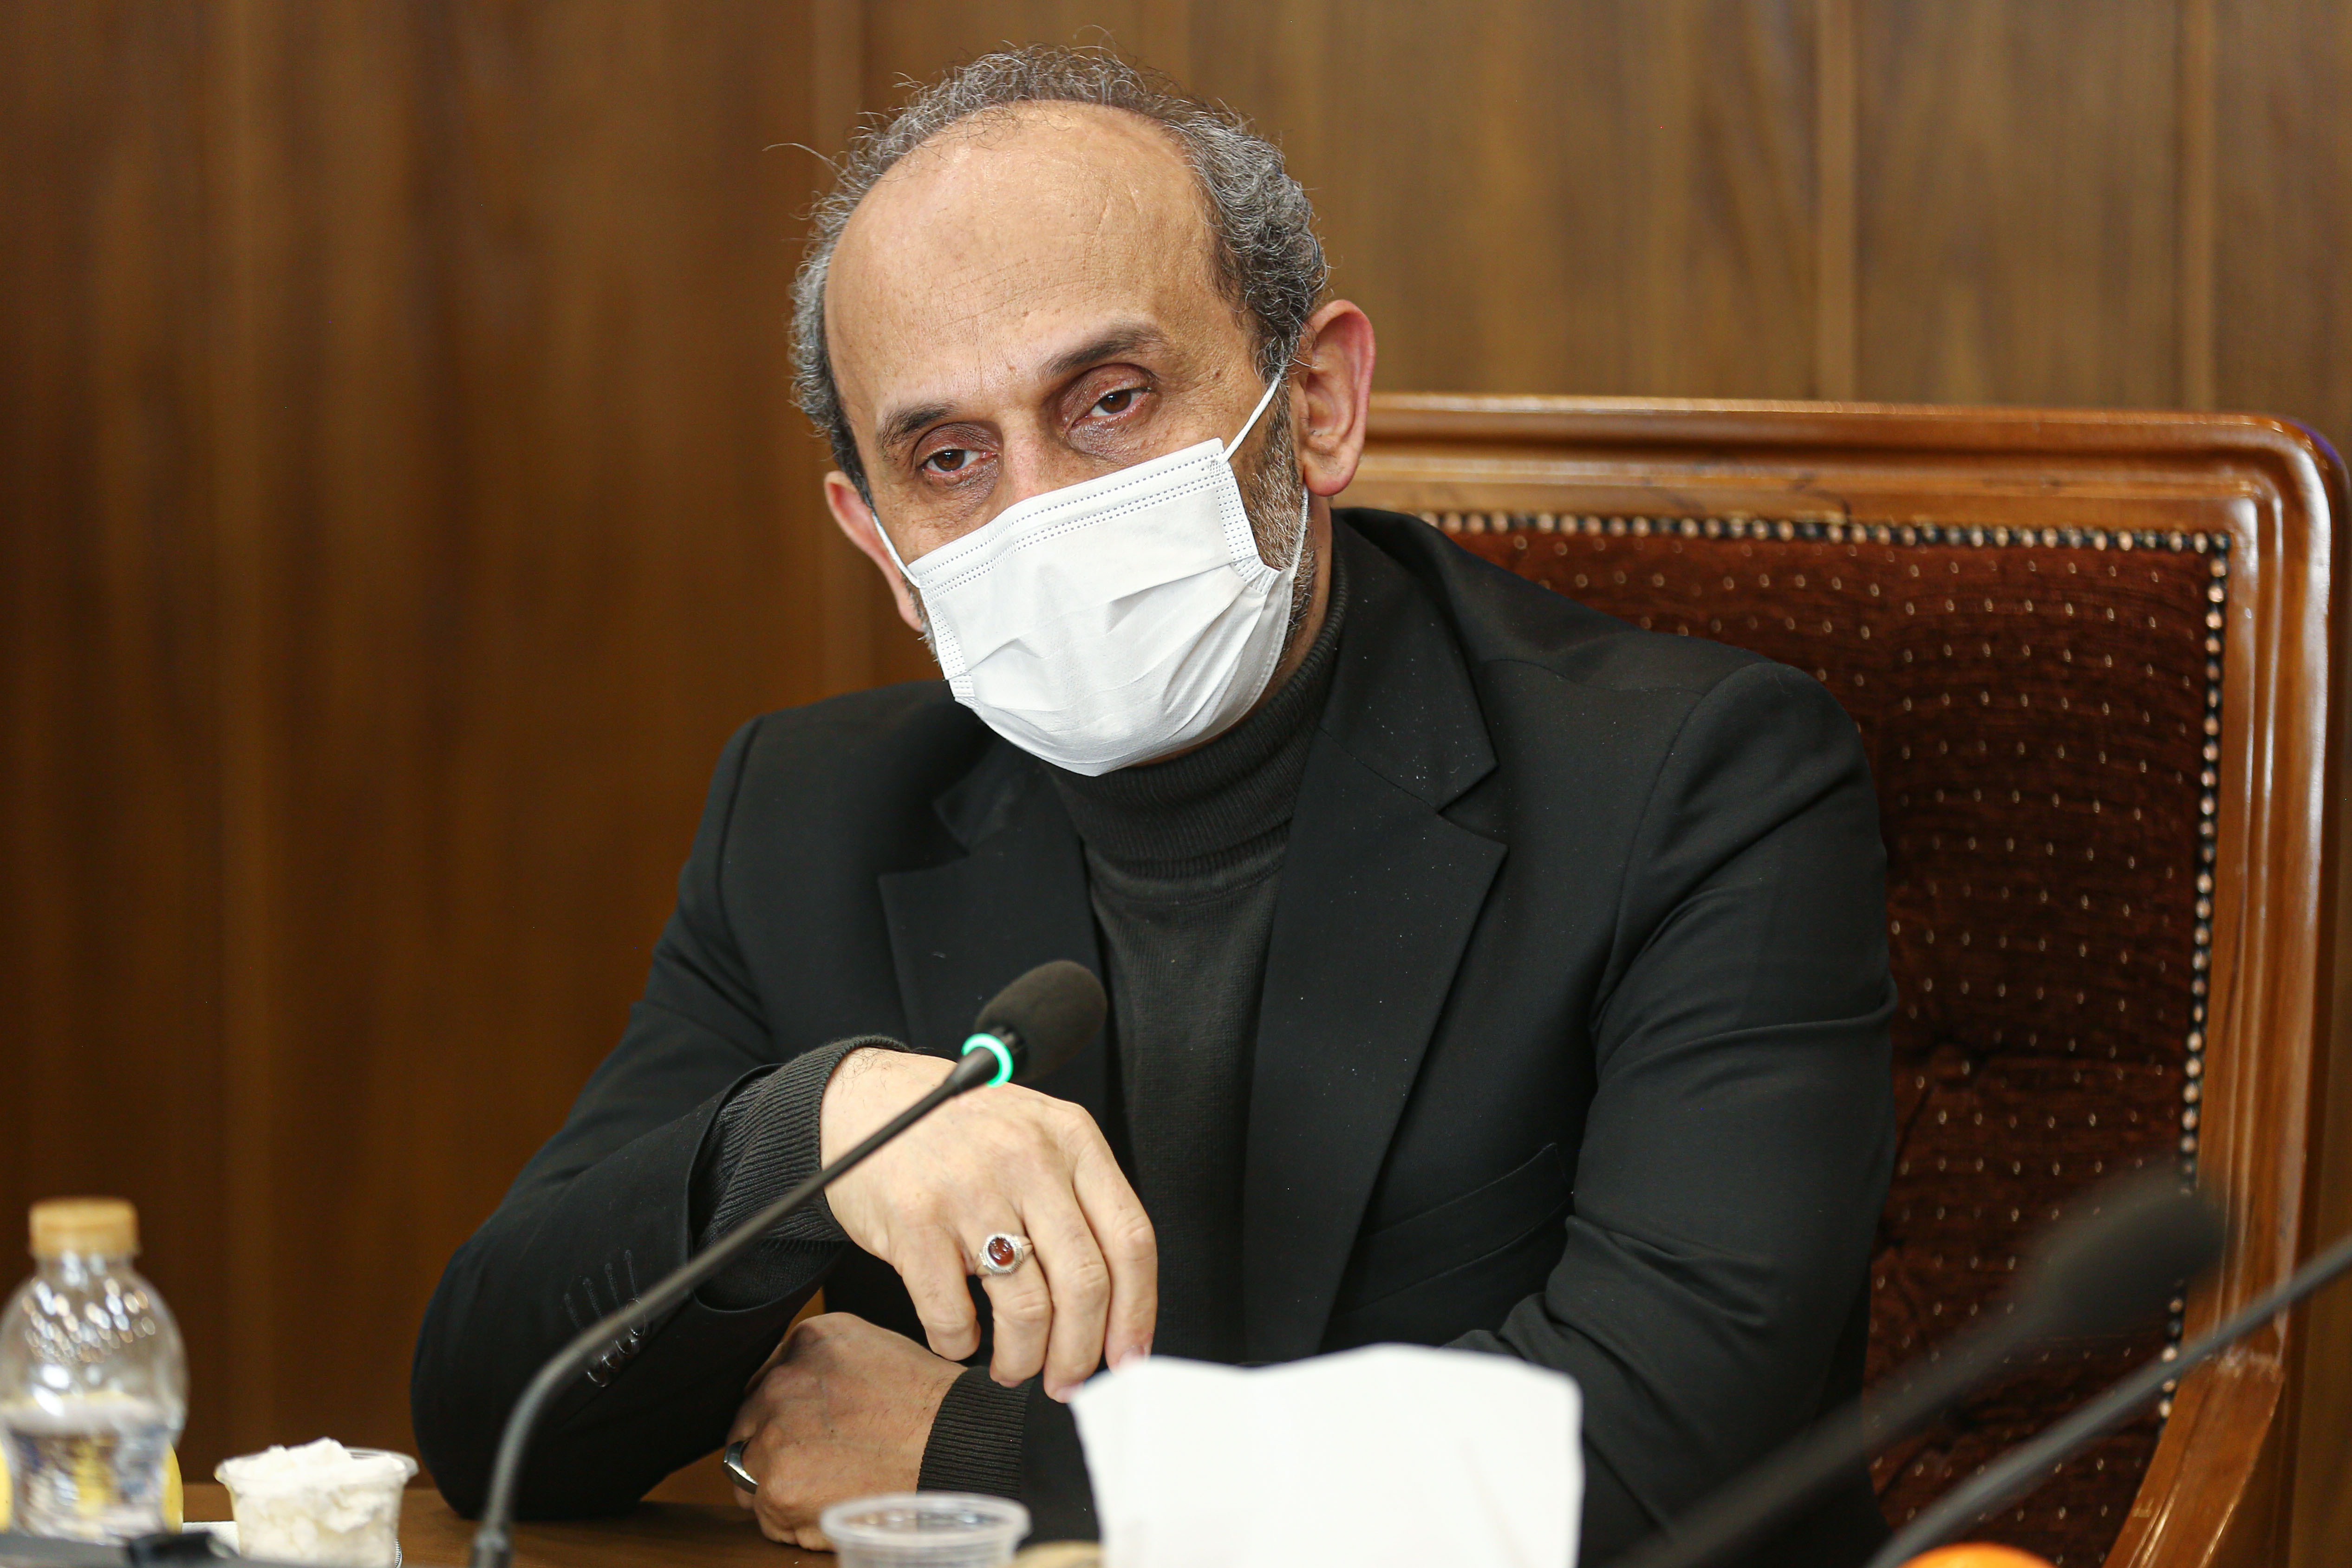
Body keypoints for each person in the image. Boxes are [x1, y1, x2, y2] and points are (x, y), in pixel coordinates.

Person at [410, 46, 1896, 1565]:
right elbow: (491, 1419)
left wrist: (987, 1453)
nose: (1040, 506)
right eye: (947, 456)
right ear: (879, 546)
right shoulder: (810, 816)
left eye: (1109, 400)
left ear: (1315, 401)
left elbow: (1664, 1445)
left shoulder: (1694, 780)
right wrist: (800, 1137)